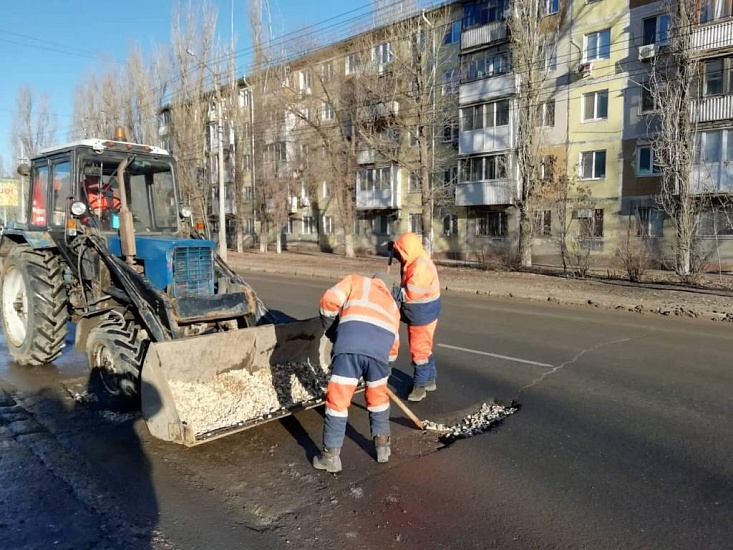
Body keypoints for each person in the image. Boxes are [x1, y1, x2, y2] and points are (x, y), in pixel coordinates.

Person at [313, 272, 400, 474]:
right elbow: (394, 346)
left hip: (349, 348)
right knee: (378, 399)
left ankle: (330, 457)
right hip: (379, 356)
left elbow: (329, 299)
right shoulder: (393, 306)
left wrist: (331, 330)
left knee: (338, 402)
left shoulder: (356, 281)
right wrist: (385, 371)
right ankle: (383, 448)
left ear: (373, 279)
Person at [390, 232, 441, 402]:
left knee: (419, 351)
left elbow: (410, 294)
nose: (400, 257)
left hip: (422, 313)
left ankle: (419, 387)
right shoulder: (416, 257)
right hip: (426, 310)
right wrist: (394, 250)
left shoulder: (420, 268)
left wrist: (391, 291)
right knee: (425, 347)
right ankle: (430, 380)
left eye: (401, 252)